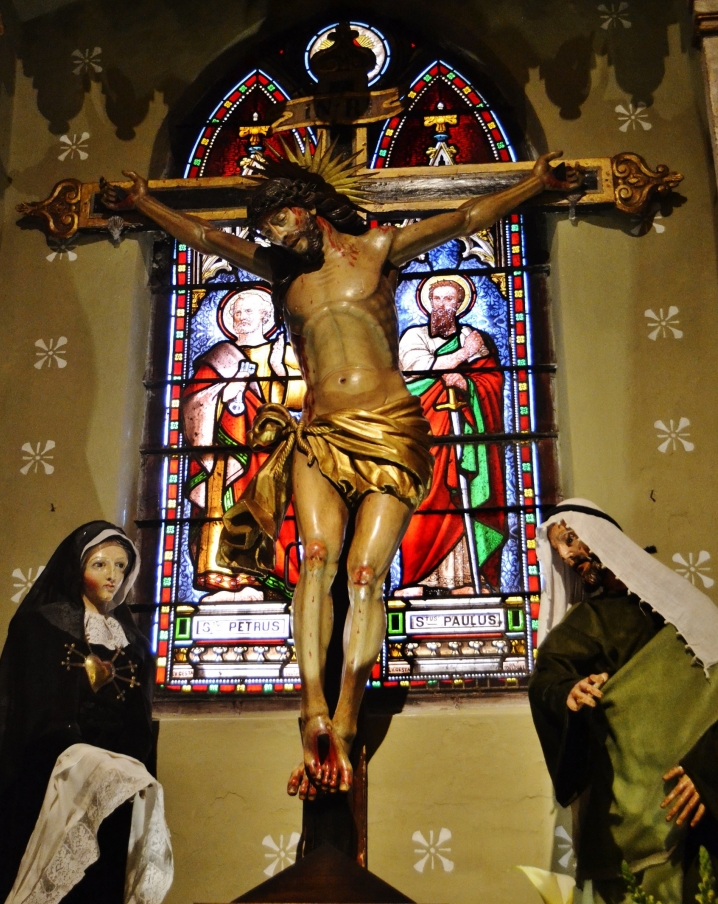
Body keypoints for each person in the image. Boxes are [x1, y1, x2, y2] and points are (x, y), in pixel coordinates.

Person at [101, 142, 575, 800]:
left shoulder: (378, 248)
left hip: (388, 425)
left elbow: (466, 218)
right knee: (316, 557)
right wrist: (147, 204)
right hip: (320, 431)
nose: (267, 237)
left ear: (307, 209)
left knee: (364, 572)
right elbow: (205, 233)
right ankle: (312, 708)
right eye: (263, 229)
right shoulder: (277, 271)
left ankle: (348, 714)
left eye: (275, 222)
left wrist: (533, 184)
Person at [529, 498, 718, 904]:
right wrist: (569, 693)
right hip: (633, 819)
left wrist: (707, 770)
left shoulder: (688, 611)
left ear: (602, 538)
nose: (567, 555)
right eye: (558, 549)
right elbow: (548, 678)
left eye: (570, 539)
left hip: (703, 802)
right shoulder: (584, 623)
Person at [0, 522, 172, 904]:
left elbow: (138, 717)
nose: (113, 576)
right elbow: (32, 704)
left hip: (113, 777)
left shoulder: (134, 644)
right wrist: (71, 743)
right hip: (52, 766)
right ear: (78, 567)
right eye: (102, 564)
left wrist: (132, 761)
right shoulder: (41, 626)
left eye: (121, 567)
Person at [182, 285, 304, 593]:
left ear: (265, 316)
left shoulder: (281, 353)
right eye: (236, 313)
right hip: (228, 454)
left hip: (272, 454)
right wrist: (226, 393)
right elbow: (195, 402)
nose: (240, 318)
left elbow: (307, 397)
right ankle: (225, 572)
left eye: (248, 311)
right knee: (225, 506)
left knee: (273, 511)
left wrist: (278, 374)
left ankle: (266, 575)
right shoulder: (219, 356)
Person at [398, 275, 506, 594]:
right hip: (422, 437)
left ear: (460, 305)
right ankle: (417, 579)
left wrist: (469, 385)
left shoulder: (475, 338)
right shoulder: (413, 337)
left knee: (463, 498)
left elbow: (492, 383)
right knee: (422, 500)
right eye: (438, 299)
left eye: (450, 300)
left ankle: (466, 579)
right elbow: (415, 372)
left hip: (463, 436)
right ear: (428, 303)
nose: (443, 305)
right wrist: (461, 356)